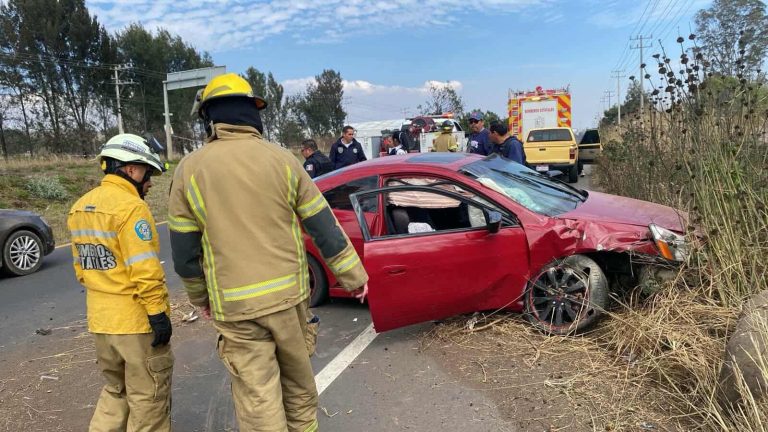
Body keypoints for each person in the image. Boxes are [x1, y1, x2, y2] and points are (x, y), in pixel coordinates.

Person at [168, 73, 369, 432]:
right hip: (289, 300)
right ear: (252, 113)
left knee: (258, 399)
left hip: (236, 308)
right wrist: (354, 278)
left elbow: (184, 252)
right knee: (299, 388)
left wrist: (201, 298)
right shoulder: (282, 160)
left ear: (210, 118)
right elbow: (322, 224)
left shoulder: (189, 170)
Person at [67, 133, 172, 432]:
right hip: (135, 324)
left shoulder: (80, 207)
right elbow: (145, 270)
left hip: (101, 323)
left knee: (116, 392)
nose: (150, 183)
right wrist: (158, 314)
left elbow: (81, 270)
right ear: (131, 169)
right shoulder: (131, 208)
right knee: (149, 398)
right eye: (148, 173)